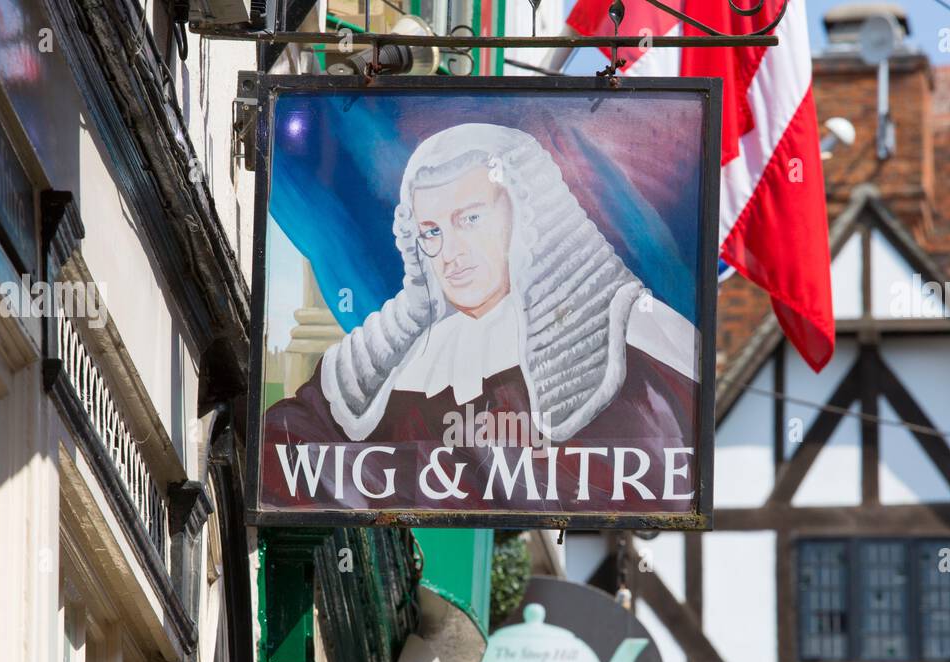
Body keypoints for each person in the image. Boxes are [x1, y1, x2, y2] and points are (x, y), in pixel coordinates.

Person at [262, 122, 699, 511]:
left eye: (469, 219)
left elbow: (657, 480)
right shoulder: (396, 361)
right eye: (431, 232)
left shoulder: (632, 339)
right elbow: (279, 450)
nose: (450, 254)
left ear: (528, 213)